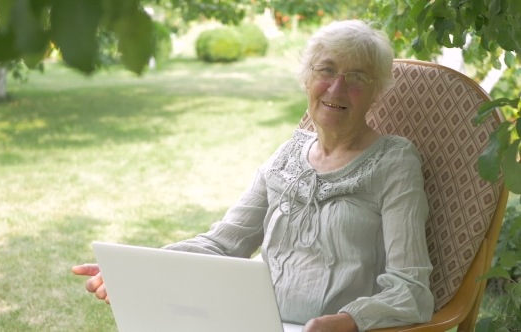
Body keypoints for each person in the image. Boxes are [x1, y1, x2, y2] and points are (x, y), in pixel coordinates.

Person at [73, 19, 434, 332]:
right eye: (326, 70)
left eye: (357, 78)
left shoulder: (394, 161)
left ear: (376, 92)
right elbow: (223, 244)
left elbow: (410, 287)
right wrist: (136, 269)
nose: (336, 88)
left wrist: (349, 320)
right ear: (307, 79)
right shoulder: (287, 154)